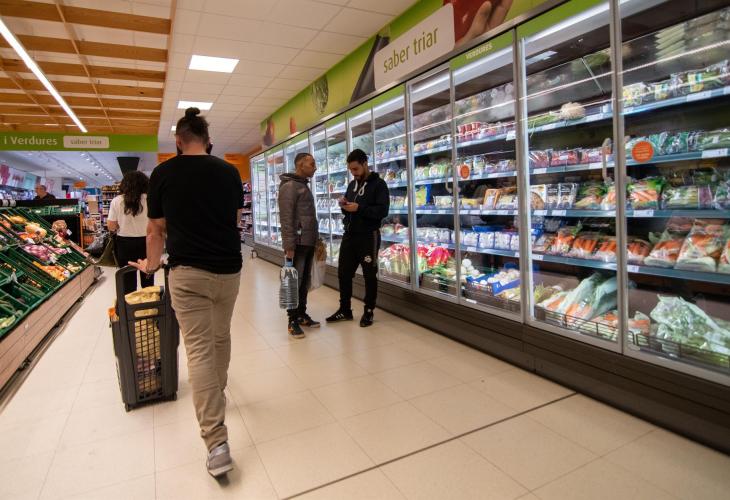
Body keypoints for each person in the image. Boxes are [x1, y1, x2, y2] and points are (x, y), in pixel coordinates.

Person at [129, 107, 244, 478]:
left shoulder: (163, 174)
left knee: (199, 350)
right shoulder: (229, 171)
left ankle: (217, 443)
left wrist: (150, 266)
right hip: (229, 271)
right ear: (208, 141)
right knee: (221, 336)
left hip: (188, 273)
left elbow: (154, 231)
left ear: (178, 141)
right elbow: (234, 220)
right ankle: (216, 392)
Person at [326, 149, 389, 327]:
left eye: (356, 169)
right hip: (350, 235)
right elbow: (350, 209)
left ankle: (368, 311)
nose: (353, 173)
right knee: (343, 273)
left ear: (365, 164)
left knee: (369, 275)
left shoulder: (379, 185)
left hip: (368, 236)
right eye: (351, 170)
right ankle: (345, 309)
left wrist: (359, 208)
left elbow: (382, 211)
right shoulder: (352, 185)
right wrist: (344, 205)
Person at [278, 152, 320, 338]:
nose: (315, 167)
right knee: (293, 282)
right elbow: (286, 219)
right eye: (312, 164)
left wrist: (316, 238)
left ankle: (301, 314)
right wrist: (289, 246)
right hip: (297, 243)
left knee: (304, 282)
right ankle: (292, 320)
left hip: (308, 240)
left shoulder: (303, 185)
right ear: (300, 165)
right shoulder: (289, 186)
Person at [107, 171, 152, 295]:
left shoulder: (117, 201)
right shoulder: (151, 199)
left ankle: (129, 305)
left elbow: (111, 226)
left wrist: (122, 224)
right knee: (148, 279)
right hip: (147, 242)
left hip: (125, 244)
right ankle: (149, 304)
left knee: (127, 280)